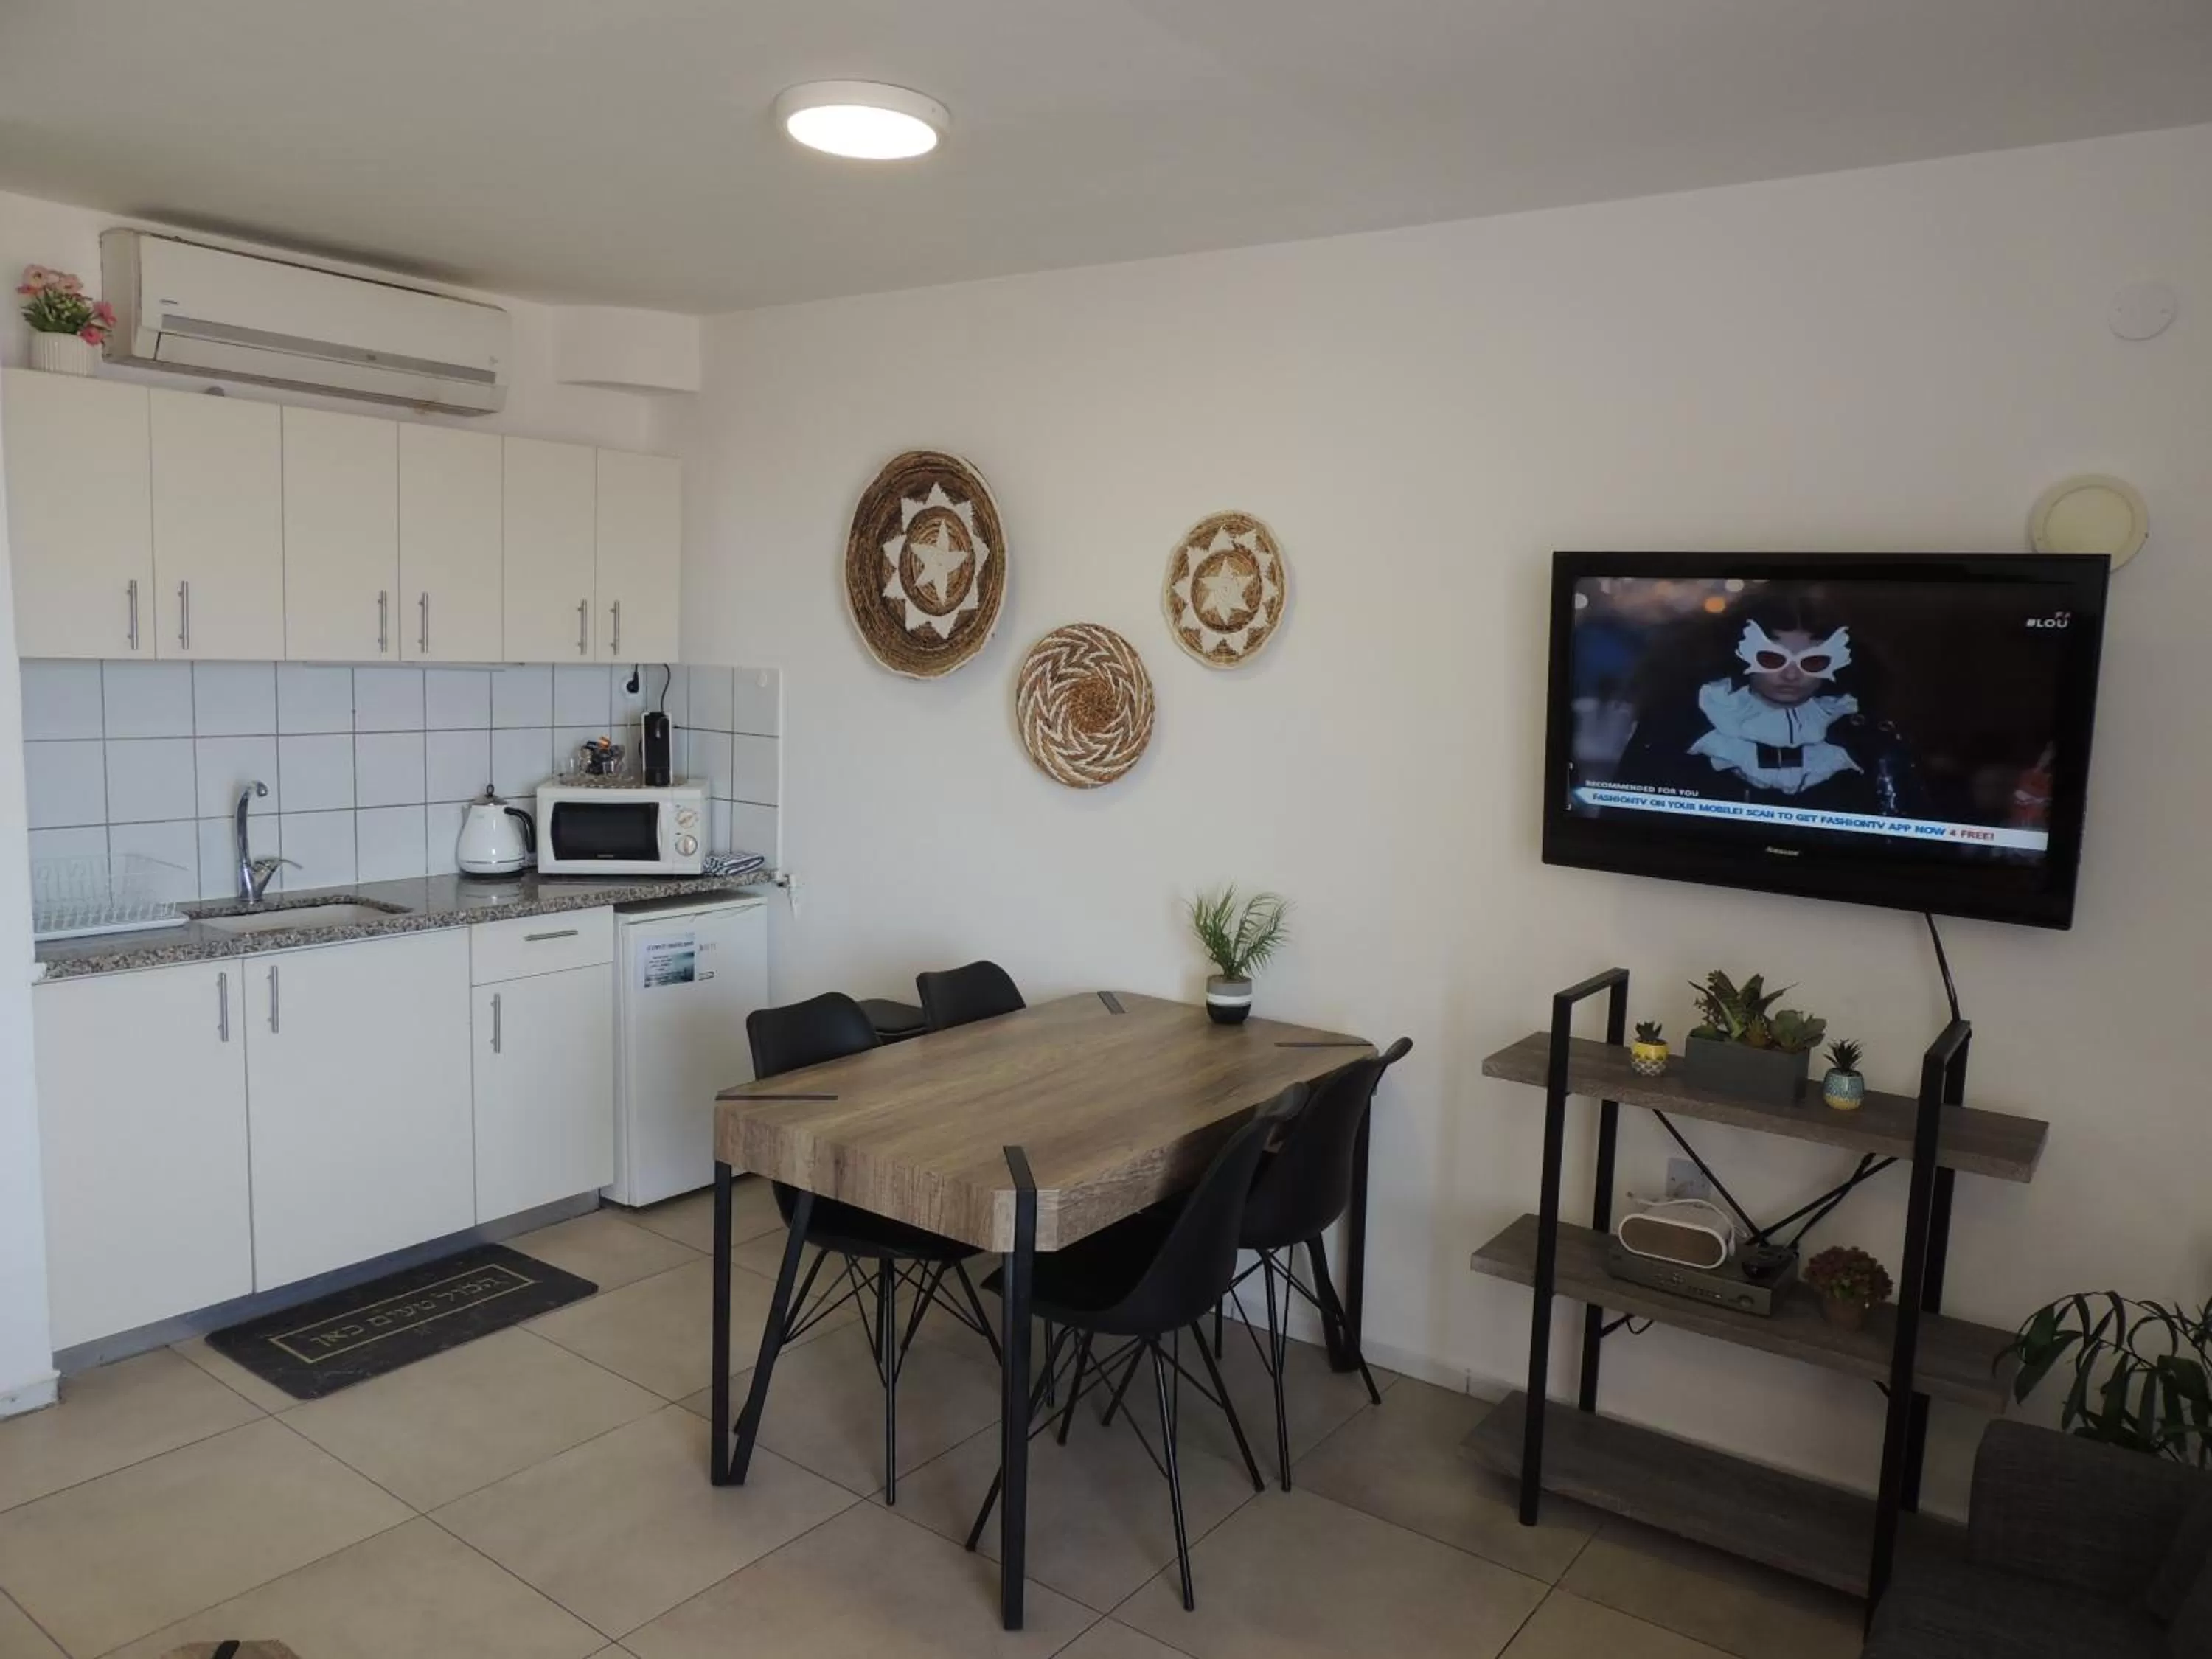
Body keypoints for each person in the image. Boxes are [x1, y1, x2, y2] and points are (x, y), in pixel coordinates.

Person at [1611, 594, 1930, 817]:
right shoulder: (1675, 731)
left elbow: (1912, 848)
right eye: (1772, 658)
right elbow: (1627, 826)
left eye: (1813, 661)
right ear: (1740, 653)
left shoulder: (1868, 743)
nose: (1791, 673)